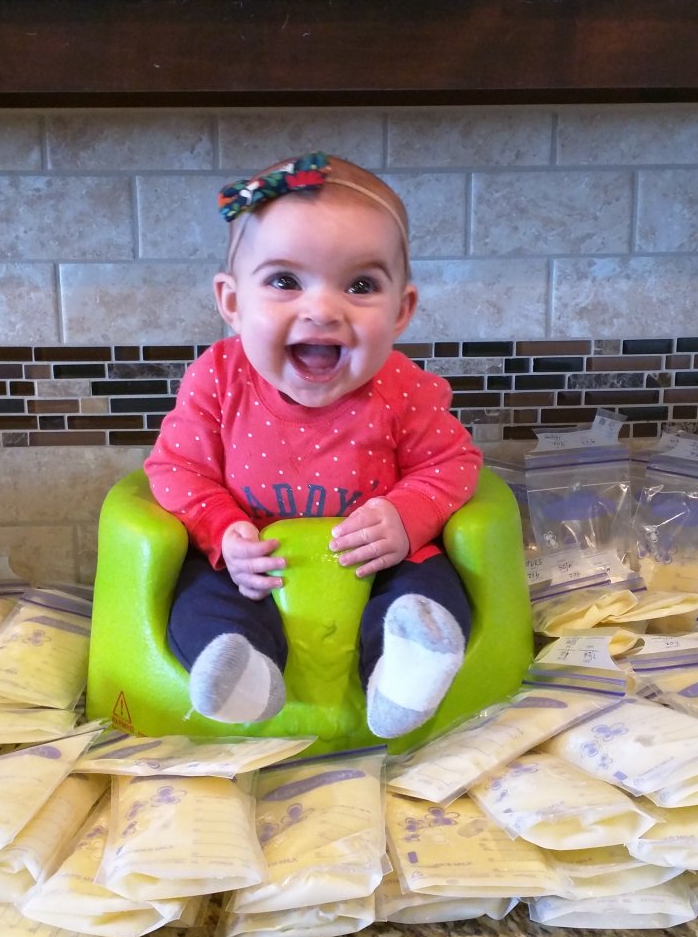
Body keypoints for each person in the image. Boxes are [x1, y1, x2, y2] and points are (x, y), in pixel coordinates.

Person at [143, 152, 482, 738]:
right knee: (199, 598)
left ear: (401, 310)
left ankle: (406, 671)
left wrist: (406, 517)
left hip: (378, 567)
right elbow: (176, 470)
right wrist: (224, 533)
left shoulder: (402, 385)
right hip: (254, 571)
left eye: (360, 285)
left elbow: (452, 464)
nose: (323, 309)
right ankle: (240, 671)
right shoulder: (217, 378)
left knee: (431, 587)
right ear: (231, 302)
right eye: (284, 280)